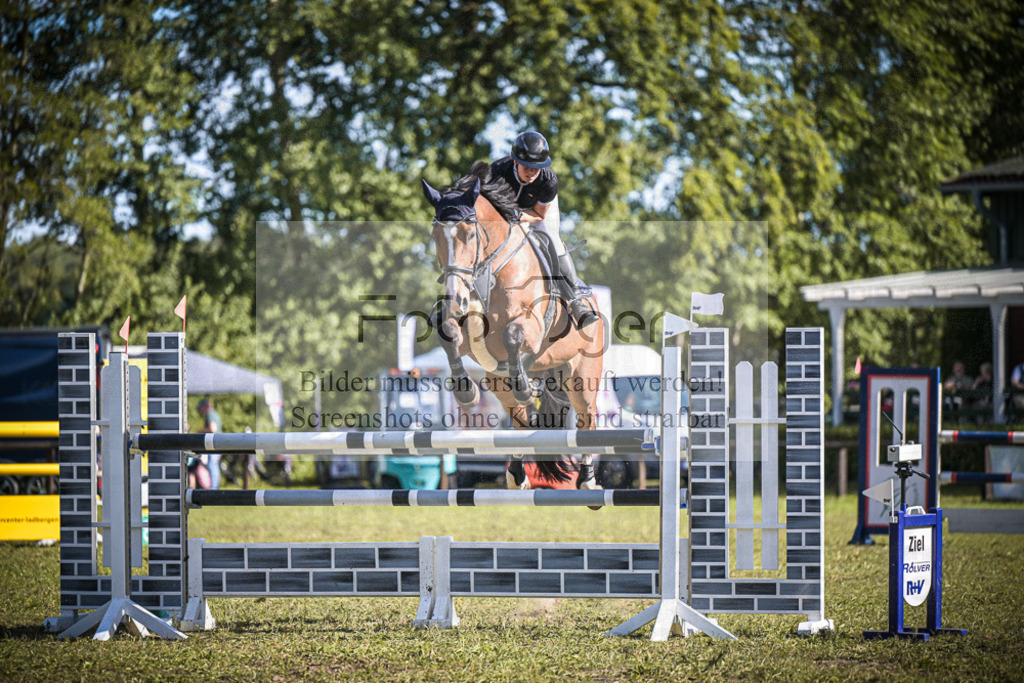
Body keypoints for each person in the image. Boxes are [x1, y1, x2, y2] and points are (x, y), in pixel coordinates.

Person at [489, 131, 599, 329]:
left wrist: (519, 216)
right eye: (527, 167)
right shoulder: (495, 172)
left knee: (553, 239)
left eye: (537, 168)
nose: (532, 172)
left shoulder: (548, 181)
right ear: (515, 163)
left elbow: (539, 215)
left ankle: (576, 301)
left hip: (535, 212)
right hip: (503, 214)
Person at [197, 398, 222, 490]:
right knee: (213, 464)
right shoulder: (214, 414)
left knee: (212, 464)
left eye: (201, 408)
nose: (200, 411)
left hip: (214, 444)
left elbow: (213, 429)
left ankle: (214, 488)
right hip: (217, 443)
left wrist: (201, 431)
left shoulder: (210, 415)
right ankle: (214, 487)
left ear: (205, 407)